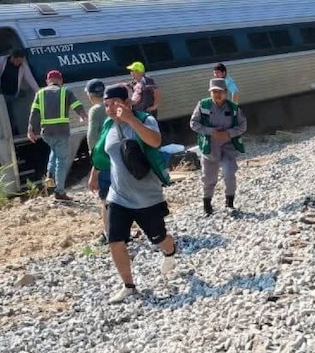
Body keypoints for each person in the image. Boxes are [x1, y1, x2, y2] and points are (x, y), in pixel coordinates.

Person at [94, 84, 177, 304]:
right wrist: (94, 173)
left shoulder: (145, 120)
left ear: (128, 103)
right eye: (106, 105)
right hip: (118, 196)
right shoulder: (108, 125)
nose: (110, 109)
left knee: (160, 239)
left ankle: (170, 251)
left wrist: (131, 119)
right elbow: (105, 152)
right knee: (115, 241)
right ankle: (128, 286)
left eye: (115, 104)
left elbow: (155, 141)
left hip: (147, 197)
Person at [189, 78, 248, 216]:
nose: (217, 94)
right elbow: (193, 123)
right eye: (214, 91)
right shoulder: (203, 105)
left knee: (229, 174)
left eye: (220, 92)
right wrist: (211, 132)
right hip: (210, 147)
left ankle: (229, 204)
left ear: (226, 92)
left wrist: (229, 133)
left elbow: (243, 125)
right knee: (209, 178)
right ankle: (207, 205)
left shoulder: (233, 108)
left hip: (228, 147)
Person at [27, 70, 87, 201]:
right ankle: (59, 191)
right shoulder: (66, 91)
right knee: (61, 161)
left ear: (48, 81)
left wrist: (30, 130)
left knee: (53, 154)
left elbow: (34, 112)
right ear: (61, 80)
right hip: (61, 131)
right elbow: (77, 105)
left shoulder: (40, 93)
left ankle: (49, 180)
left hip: (47, 133)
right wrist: (83, 116)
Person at [0, 48, 39, 135]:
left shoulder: (23, 66)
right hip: (2, 94)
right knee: (3, 114)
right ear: (12, 58)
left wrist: (38, 91)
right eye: (18, 61)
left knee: (11, 114)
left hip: (12, 95)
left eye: (21, 61)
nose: (19, 63)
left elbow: (30, 79)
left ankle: (13, 132)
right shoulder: (2, 60)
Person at [84, 79, 110, 242]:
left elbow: (93, 138)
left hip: (104, 159)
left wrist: (94, 164)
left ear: (90, 95)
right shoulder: (111, 106)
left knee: (106, 198)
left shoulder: (95, 110)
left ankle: (109, 233)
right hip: (117, 157)